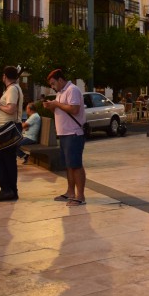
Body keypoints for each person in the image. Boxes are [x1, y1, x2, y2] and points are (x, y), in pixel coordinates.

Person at [43, 68, 86, 206]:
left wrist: (56, 104)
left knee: (76, 165)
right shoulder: (60, 92)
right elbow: (61, 110)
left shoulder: (72, 90)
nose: (52, 86)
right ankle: (70, 192)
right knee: (69, 165)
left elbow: (74, 109)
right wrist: (51, 106)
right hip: (64, 134)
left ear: (60, 80)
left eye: (53, 83)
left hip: (73, 133)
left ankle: (80, 196)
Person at [0, 66, 24, 202]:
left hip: (7, 129)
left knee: (2, 159)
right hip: (8, 128)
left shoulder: (12, 89)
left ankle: (7, 189)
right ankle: (11, 190)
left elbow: (11, 109)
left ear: (5, 76)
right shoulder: (13, 89)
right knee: (7, 159)